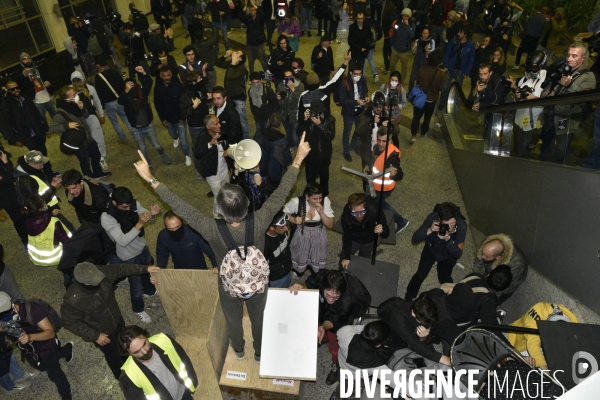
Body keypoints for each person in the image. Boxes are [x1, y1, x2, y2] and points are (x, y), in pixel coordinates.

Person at [131, 129, 311, 365]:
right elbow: (280, 194)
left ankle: (238, 350)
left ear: (220, 210)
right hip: (257, 283)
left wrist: (150, 178)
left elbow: (180, 206)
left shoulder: (210, 227)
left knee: (233, 319)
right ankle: (259, 354)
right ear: (246, 206)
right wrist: (297, 159)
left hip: (229, 284)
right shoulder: (259, 220)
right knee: (258, 319)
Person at [61, 262, 160, 380]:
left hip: (118, 320)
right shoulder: (73, 300)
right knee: (113, 356)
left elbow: (121, 269)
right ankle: (123, 378)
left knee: (125, 347)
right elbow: (69, 322)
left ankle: (131, 365)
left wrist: (145, 268)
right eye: (95, 280)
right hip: (102, 333)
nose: (100, 279)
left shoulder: (100, 272)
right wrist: (95, 336)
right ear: (85, 283)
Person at [290, 270, 371, 385]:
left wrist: (322, 327)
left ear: (341, 293)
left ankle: (335, 367)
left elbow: (333, 321)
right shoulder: (322, 276)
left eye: (335, 297)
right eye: (328, 295)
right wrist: (299, 286)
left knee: (336, 347)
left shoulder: (347, 301)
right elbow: (308, 283)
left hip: (338, 321)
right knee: (310, 333)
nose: (331, 300)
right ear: (323, 286)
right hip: (321, 311)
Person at [101, 187, 160, 323]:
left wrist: (152, 214)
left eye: (129, 205)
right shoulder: (107, 217)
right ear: (114, 203)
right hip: (128, 256)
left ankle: (150, 292)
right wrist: (139, 224)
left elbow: (147, 217)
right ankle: (138, 308)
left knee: (147, 272)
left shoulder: (132, 203)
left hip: (142, 247)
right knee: (136, 284)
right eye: (124, 207)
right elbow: (122, 241)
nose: (128, 209)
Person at [0, 292, 74, 400]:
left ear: (12, 303)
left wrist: (30, 337)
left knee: (55, 374)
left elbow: (50, 333)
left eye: (5, 314)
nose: (3, 320)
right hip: (30, 351)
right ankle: (67, 349)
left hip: (46, 348)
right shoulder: (3, 319)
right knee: (40, 365)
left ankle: (66, 395)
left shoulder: (32, 310)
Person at [540, 42, 596, 163]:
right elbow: (544, 91)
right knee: (545, 150)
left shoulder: (588, 76)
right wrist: (548, 94)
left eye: (574, 56)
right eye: (568, 55)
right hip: (549, 117)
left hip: (567, 121)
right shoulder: (562, 69)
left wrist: (570, 84)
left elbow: (585, 99)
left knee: (561, 151)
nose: (569, 59)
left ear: (583, 58)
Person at [405, 202, 467, 300]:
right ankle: (408, 297)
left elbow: (457, 253)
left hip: (448, 255)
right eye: (446, 225)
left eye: (452, 224)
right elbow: (415, 239)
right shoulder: (432, 218)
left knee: (444, 278)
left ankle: (449, 299)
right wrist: (429, 229)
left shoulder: (461, 225)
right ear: (439, 219)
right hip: (431, 248)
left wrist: (448, 239)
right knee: (421, 274)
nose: (450, 227)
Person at [119, 325, 198, 400]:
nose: (145, 351)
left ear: (146, 336)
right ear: (128, 353)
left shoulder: (164, 340)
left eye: (144, 344)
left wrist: (192, 381)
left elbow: (183, 358)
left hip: (184, 392)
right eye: (136, 352)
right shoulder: (128, 377)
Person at [0, 80, 56, 178]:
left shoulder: (25, 98)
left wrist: (45, 128)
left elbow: (36, 114)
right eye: (13, 89)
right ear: (8, 91)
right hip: (25, 135)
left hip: (37, 131)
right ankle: (47, 173)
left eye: (17, 87)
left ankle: (47, 170)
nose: (16, 90)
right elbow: (6, 124)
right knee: (37, 154)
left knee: (43, 151)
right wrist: (14, 139)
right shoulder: (6, 105)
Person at [50, 86, 108, 180]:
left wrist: (82, 108)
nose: (77, 96)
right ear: (66, 99)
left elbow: (86, 115)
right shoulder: (61, 113)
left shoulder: (75, 105)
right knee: (84, 160)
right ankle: (89, 178)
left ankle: (98, 173)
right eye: (74, 95)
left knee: (96, 154)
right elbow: (52, 128)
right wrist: (67, 126)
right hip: (78, 141)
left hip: (88, 136)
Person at [378, 295, 453, 366]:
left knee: (429, 357)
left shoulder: (425, 309)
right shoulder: (398, 317)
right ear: (413, 313)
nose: (425, 324)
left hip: (413, 337)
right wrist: (446, 360)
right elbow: (413, 343)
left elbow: (429, 339)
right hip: (394, 339)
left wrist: (424, 338)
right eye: (422, 322)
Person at [119, 69, 172, 168]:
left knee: (157, 145)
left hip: (148, 126)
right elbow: (120, 101)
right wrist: (125, 91)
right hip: (136, 129)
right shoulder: (126, 98)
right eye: (127, 85)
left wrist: (144, 72)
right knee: (142, 148)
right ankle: (148, 164)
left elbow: (149, 83)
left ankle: (163, 155)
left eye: (132, 85)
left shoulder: (142, 94)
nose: (130, 87)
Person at [507, 302, 578, 371]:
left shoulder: (574, 324)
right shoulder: (538, 309)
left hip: (541, 349)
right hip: (513, 341)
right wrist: (546, 374)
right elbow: (533, 344)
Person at [283, 182, 334, 275]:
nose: (318, 201)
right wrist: (294, 219)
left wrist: (321, 213)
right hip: (302, 234)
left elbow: (330, 225)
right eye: (314, 199)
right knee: (300, 253)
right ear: (307, 196)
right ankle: (298, 271)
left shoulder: (325, 201)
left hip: (318, 234)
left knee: (316, 254)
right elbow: (283, 213)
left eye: (320, 198)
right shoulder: (296, 202)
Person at [365, 127, 408, 235]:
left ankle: (401, 221)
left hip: (384, 188)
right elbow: (374, 159)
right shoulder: (376, 146)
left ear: (390, 141)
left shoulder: (392, 156)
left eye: (384, 141)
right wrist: (368, 167)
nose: (380, 143)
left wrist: (395, 174)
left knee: (380, 204)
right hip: (375, 184)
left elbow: (400, 174)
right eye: (379, 140)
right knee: (378, 203)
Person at [507, 51, 547, 158]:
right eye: (528, 68)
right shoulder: (524, 79)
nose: (530, 71)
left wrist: (533, 98)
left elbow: (550, 100)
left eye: (533, 68)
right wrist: (517, 95)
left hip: (532, 125)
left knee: (524, 150)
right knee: (516, 147)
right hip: (519, 121)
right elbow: (518, 98)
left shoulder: (547, 81)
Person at [70, 71, 110, 172]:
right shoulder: (69, 91)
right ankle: (90, 160)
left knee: (98, 138)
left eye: (78, 80)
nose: (76, 82)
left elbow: (97, 101)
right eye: (74, 81)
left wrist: (101, 115)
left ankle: (101, 158)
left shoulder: (90, 88)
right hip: (79, 119)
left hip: (91, 117)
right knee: (85, 141)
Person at [472, 234, 528, 304]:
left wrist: (491, 297)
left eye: (486, 256)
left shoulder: (516, 264)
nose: (482, 257)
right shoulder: (488, 245)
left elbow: (503, 286)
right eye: (483, 253)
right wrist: (477, 280)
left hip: (507, 283)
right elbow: (478, 262)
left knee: (491, 302)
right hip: (492, 271)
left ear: (498, 257)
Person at [296, 99, 336, 196]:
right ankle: (310, 195)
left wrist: (320, 124)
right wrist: (304, 120)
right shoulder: (308, 119)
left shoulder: (329, 119)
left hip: (323, 155)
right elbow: (298, 132)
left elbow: (331, 135)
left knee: (324, 178)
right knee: (310, 179)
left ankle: (324, 196)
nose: (315, 114)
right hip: (310, 155)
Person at [339, 193, 389, 269]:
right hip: (353, 239)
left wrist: (382, 230)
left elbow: (386, 234)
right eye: (355, 213)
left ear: (365, 205)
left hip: (369, 240)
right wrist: (347, 257)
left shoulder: (374, 210)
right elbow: (347, 237)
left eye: (362, 212)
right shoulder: (346, 216)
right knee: (343, 262)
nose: (359, 216)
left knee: (363, 262)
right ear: (350, 207)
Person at [154, 66, 192, 166]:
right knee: (172, 133)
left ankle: (187, 155)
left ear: (171, 75)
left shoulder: (178, 85)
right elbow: (157, 104)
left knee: (184, 139)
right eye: (164, 76)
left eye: (168, 75)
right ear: (161, 76)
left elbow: (184, 103)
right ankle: (175, 138)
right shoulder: (158, 87)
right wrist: (162, 119)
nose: (167, 77)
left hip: (180, 119)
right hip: (168, 119)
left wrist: (182, 117)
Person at [195, 115, 231, 215]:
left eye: (218, 122)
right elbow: (198, 153)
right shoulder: (202, 137)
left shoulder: (219, 132)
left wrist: (226, 150)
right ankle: (217, 216)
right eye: (216, 124)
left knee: (227, 191)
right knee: (219, 197)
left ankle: (226, 212)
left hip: (224, 169)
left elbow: (226, 142)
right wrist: (210, 144)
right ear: (208, 126)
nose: (219, 125)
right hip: (212, 173)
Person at [95, 56, 134, 144]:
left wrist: (102, 107)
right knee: (126, 118)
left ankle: (123, 138)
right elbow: (122, 85)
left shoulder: (98, 78)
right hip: (120, 100)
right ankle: (135, 134)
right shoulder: (114, 72)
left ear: (98, 65)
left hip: (109, 104)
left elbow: (99, 94)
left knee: (114, 122)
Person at [355, 91, 399, 167]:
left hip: (382, 149)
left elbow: (397, 131)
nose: (378, 109)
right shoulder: (365, 115)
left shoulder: (387, 114)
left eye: (380, 107)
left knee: (380, 169)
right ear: (372, 105)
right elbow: (359, 131)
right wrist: (369, 124)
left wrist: (390, 126)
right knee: (367, 173)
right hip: (368, 149)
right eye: (376, 107)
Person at [411, 49, 446, 142]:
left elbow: (417, 81)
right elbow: (441, 88)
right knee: (427, 117)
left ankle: (413, 134)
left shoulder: (422, 69)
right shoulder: (441, 74)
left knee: (416, 116)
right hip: (431, 99)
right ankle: (423, 133)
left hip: (420, 98)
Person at [13, 151, 63, 216]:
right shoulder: (27, 181)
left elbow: (41, 181)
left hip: (50, 203)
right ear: (31, 164)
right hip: (45, 211)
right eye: (40, 164)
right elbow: (35, 203)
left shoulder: (32, 169)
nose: (42, 166)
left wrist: (50, 180)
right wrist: (53, 188)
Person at [338, 61, 368, 162]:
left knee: (359, 129)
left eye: (360, 73)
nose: (358, 76)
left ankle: (353, 145)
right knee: (347, 132)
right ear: (351, 73)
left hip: (360, 110)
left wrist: (366, 97)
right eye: (356, 74)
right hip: (349, 111)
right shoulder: (344, 84)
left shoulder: (362, 79)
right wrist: (356, 101)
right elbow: (343, 100)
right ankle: (346, 151)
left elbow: (365, 89)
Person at [440, 26, 475, 111]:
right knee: (445, 87)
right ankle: (442, 103)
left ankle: (453, 105)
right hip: (450, 68)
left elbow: (471, 59)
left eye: (461, 32)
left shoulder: (470, 44)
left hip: (460, 71)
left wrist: (467, 71)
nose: (458, 34)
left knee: (457, 90)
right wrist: (445, 65)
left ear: (465, 34)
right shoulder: (454, 40)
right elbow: (447, 52)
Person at [215, 53, 249, 140]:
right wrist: (225, 56)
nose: (234, 53)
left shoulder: (242, 69)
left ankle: (246, 140)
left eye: (237, 53)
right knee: (231, 118)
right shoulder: (232, 64)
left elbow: (230, 76)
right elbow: (218, 63)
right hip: (230, 96)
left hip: (238, 98)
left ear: (240, 59)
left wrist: (232, 64)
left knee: (242, 121)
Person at [12, 53, 55, 119]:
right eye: (24, 59)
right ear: (21, 61)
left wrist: (47, 82)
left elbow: (48, 76)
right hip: (36, 100)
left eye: (28, 58)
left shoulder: (38, 68)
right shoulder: (19, 72)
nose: (27, 61)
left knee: (55, 116)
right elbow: (18, 83)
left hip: (48, 96)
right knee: (42, 119)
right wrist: (23, 74)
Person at [469, 63, 505, 140]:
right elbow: (470, 98)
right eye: (480, 74)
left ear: (490, 73)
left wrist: (480, 104)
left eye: (485, 74)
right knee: (487, 129)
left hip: (497, 111)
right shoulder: (480, 80)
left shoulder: (497, 81)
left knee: (492, 134)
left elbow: (497, 100)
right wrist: (476, 89)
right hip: (488, 109)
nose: (482, 77)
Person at [0, 146, 28, 245]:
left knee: (23, 213)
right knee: (18, 218)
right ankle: (26, 240)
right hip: (6, 197)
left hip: (12, 191)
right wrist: (6, 163)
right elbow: (12, 177)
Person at [512, 5, 547, 71]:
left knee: (520, 51)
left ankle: (516, 64)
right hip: (535, 39)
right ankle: (527, 66)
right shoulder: (543, 19)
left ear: (535, 10)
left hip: (527, 37)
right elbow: (543, 30)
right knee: (530, 54)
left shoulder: (532, 18)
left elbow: (525, 28)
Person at [264, 211, 293, 288]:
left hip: (287, 269)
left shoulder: (282, 232)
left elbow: (286, 248)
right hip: (276, 278)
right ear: (271, 227)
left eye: (286, 225)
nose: (286, 229)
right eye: (282, 227)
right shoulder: (265, 244)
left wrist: (290, 263)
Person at [276, 69, 304, 150]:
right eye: (286, 77)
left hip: (295, 115)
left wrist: (293, 89)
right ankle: (291, 147)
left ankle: (299, 148)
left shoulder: (300, 85)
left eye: (290, 77)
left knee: (295, 136)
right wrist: (279, 99)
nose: (288, 79)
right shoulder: (281, 86)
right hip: (285, 115)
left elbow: (301, 100)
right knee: (289, 133)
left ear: (294, 76)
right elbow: (281, 104)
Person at [248, 72, 280, 142]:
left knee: (268, 135)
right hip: (257, 118)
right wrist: (254, 114)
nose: (256, 84)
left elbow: (275, 103)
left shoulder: (267, 90)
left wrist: (271, 117)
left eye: (258, 82)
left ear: (261, 80)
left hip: (267, 118)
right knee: (260, 134)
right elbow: (251, 103)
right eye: (254, 82)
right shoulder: (250, 91)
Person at [239, 3, 269, 74]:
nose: (252, 11)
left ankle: (268, 73)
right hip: (250, 44)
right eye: (250, 10)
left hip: (259, 43)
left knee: (263, 60)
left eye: (253, 10)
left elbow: (264, 15)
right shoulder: (248, 18)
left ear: (256, 11)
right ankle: (252, 75)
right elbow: (240, 17)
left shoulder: (260, 18)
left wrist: (254, 5)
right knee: (250, 62)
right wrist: (245, 6)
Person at [191, 16, 219, 92]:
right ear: (203, 36)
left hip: (200, 70)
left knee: (202, 88)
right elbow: (216, 35)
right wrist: (211, 22)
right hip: (210, 68)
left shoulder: (193, 47)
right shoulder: (208, 43)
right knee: (212, 88)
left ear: (195, 38)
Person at [389, 9, 415, 87]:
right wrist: (392, 44)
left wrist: (407, 26)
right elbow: (394, 33)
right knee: (392, 66)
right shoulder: (397, 23)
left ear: (409, 17)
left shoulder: (412, 25)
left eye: (407, 16)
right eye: (404, 15)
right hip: (395, 49)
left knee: (404, 68)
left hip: (405, 51)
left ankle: (401, 81)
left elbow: (412, 35)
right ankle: (392, 79)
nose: (405, 17)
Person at [408, 26, 435, 92]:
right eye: (423, 33)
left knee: (422, 80)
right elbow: (413, 53)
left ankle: (420, 94)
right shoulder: (417, 40)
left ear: (429, 34)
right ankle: (410, 92)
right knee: (412, 78)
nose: (424, 35)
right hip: (417, 62)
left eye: (426, 33)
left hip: (426, 64)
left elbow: (432, 55)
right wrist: (415, 47)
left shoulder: (432, 41)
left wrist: (427, 49)